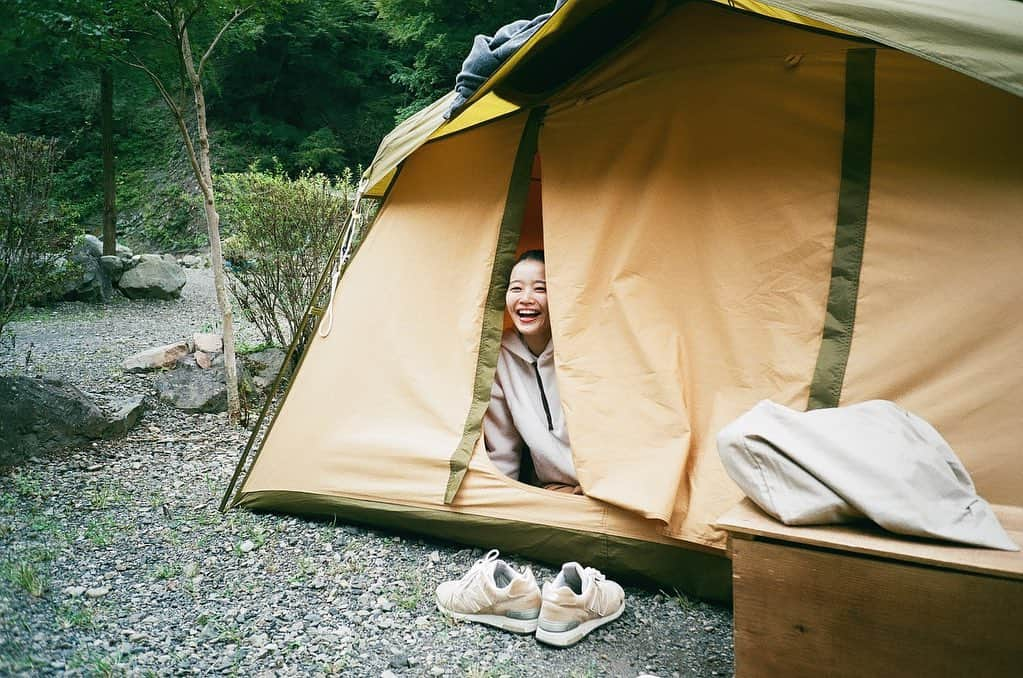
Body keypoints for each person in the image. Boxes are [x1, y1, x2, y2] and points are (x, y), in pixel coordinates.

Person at [484, 250, 581, 494]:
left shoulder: (580, 349)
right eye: (516, 289)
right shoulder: (500, 356)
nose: (526, 298)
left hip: (602, 484)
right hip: (554, 489)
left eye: (540, 289)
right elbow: (503, 446)